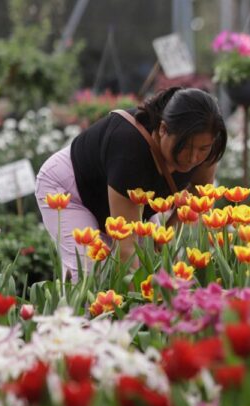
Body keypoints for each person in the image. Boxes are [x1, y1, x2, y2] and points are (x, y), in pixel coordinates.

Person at [35, 87, 228, 280]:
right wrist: (147, 299)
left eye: (203, 148)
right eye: (185, 146)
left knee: (158, 267)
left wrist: (164, 243)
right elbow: (126, 248)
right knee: (90, 275)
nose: (193, 157)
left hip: (128, 199)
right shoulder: (130, 149)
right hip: (70, 190)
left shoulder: (208, 152)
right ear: (163, 129)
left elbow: (197, 202)